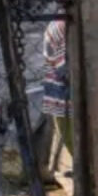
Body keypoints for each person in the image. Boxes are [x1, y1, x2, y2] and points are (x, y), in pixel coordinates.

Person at [34, 16, 73, 186]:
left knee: (65, 142)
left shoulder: (61, 25)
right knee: (69, 145)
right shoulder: (64, 28)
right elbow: (66, 71)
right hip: (64, 99)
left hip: (60, 98)